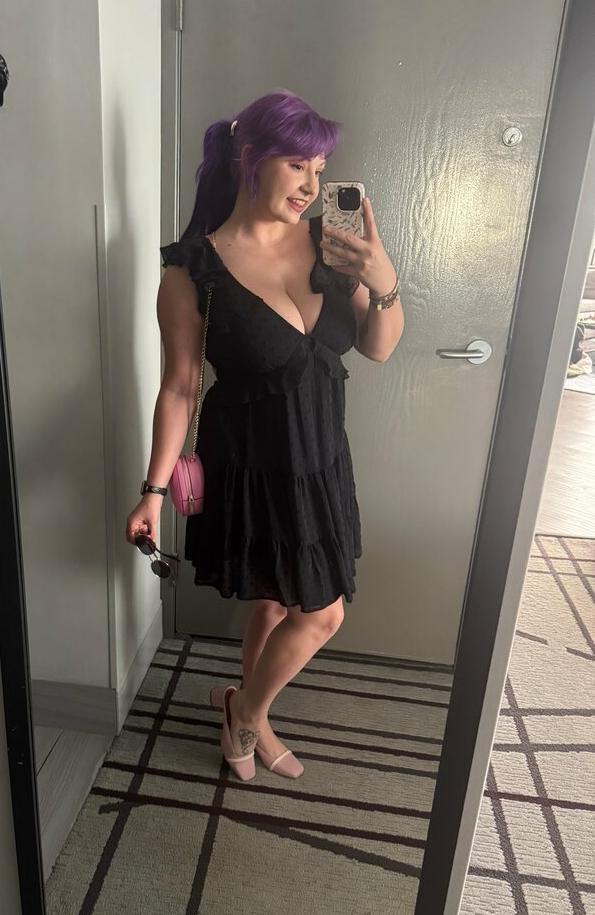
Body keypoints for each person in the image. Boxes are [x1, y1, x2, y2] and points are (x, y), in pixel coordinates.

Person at [125, 90, 404, 781]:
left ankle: (245, 709)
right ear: (250, 158)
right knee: (321, 614)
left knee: (285, 601)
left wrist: (384, 281)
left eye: (319, 169)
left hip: (320, 457)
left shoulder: (333, 243)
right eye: (296, 165)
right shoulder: (193, 271)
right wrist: (153, 492)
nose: (311, 186)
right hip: (250, 459)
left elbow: (378, 347)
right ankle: (248, 715)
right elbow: (179, 388)